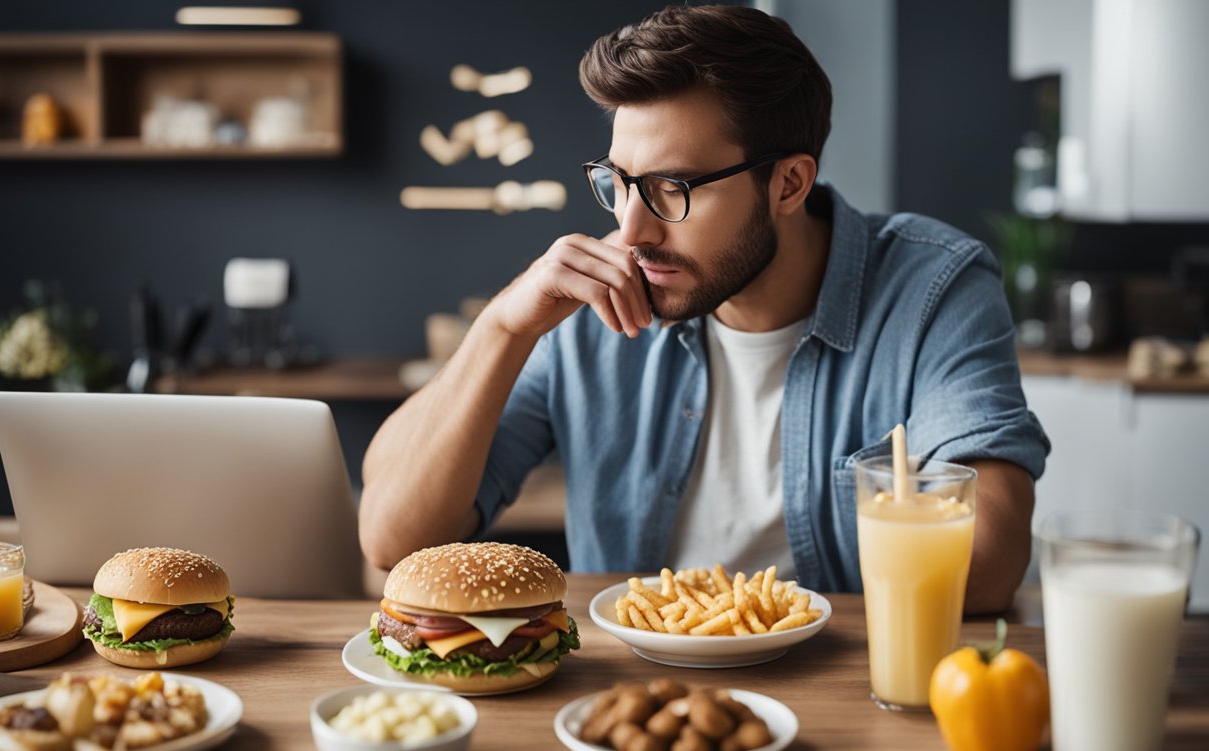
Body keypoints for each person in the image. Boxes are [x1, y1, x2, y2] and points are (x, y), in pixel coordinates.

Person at [360, 4, 1049, 613]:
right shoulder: (591, 301)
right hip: (630, 698)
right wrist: (505, 325)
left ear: (788, 183)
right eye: (621, 184)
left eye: (671, 188)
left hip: (847, 701)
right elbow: (393, 537)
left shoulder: (934, 287)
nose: (632, 230)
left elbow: (988, 570)